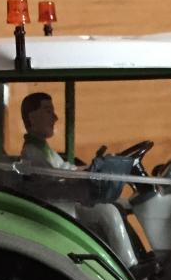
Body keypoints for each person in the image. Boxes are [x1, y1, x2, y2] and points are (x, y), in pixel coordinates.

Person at [16, 92, 140, 268]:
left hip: (65, 202)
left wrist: (91, 168)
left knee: (121, 203)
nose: (55, 118)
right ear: (32, 117)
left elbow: (65, 169)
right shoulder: (32, 152)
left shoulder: (43, 149)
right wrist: (88, 172)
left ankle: (130, 260)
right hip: (59, 207)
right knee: (109, 212)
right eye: (48, 111)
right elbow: (57, 176)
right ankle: (129, 265)